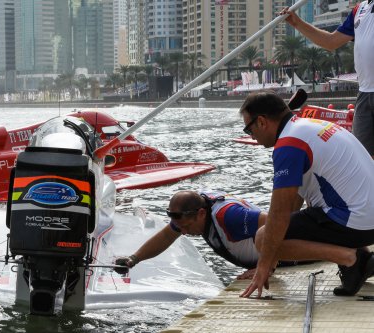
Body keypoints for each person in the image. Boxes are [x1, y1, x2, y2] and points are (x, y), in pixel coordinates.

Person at [238, 90, 374, 299]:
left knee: (262, 238)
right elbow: (294, 203)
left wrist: (263, 265)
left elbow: (280, 212)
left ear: (262, 122)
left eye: (249, 129)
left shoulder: (288, 145)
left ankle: (352, 259)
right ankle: (362, 255)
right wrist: (272, 262)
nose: (252, 136)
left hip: (358, 223)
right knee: (311, 209)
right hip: (367, 221)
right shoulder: (310, 126)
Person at [280, 3, 374, 158]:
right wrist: (296, 22)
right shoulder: (359, 10)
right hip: (364, 94)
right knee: (363, 158)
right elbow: (331, 42)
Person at [115, 189, 269, 279]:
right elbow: (166, 237)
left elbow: (277, 222)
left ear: (201, 214)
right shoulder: (192, 213)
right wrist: (133, 259)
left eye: (186, 227)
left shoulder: (229, 215)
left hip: (285, 260)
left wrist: (267, 266)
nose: (183, 232)